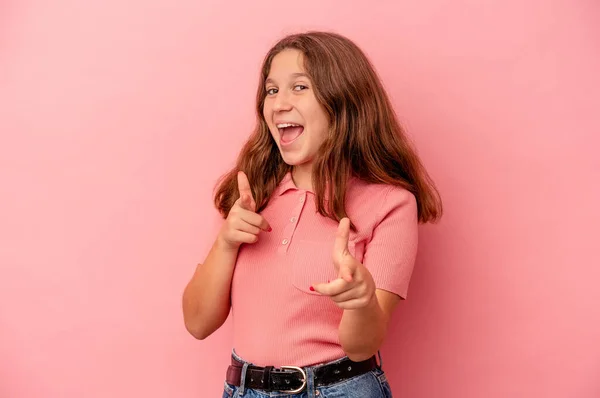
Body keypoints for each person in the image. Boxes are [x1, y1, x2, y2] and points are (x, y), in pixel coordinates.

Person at [182, 31, 442, 398]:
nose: (279, 104)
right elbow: (197, 323)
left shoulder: (390, 204)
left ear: (343, 100)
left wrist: (361, 300)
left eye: (299, 87)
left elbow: (361, 346)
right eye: (271, 91)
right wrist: (226, 242)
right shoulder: (248, 193)